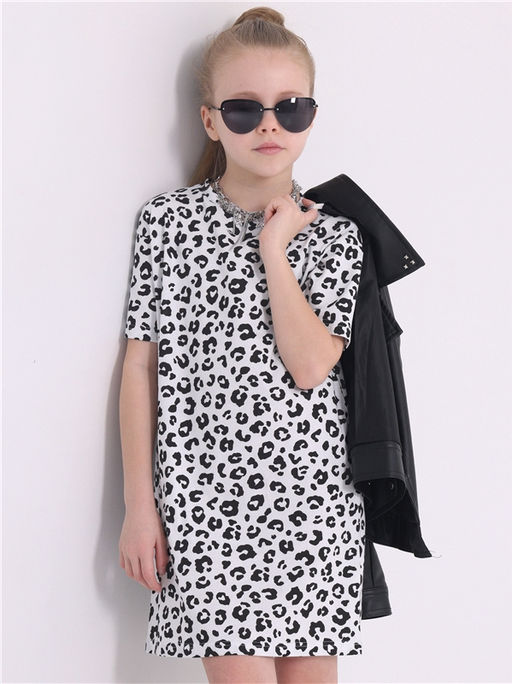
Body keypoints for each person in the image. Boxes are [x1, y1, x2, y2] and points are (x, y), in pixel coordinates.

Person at [119, 6, 366, 684]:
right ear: (210, 120)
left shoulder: (337, 235)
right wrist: (140, 508)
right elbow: (141, 367)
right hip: (204, 505)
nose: (268, 125)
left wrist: (274, 250)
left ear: (311, 116)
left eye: (290, 108)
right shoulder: (169, 222)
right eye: (244, 109)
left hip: (314, 505)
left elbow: (311, 366)